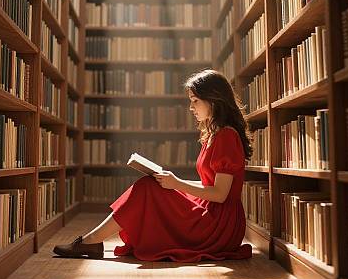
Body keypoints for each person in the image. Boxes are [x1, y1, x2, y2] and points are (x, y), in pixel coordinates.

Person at [53, 69, 253, 262]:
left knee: (147, 187)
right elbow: (208, 184)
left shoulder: (226, 136)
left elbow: (219, 194)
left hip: (219, 226)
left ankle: (91, 241)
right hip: (210, 214)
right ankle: (91, 241)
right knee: (151, 185)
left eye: (195, 101)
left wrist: (177, 184)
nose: (191, 108)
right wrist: (172, 181)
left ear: (213, 100)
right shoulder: (215, 134)